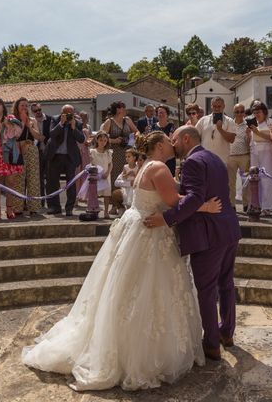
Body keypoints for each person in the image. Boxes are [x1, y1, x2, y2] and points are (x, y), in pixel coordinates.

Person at [22, 130, 222, 390]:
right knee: (150, 290)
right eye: (168, 141)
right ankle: (144, 354)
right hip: (151, 233)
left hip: (137, 227)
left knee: (128, 288)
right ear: (159, 145)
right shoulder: (159, 168)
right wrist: (205, 206)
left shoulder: (144, 166)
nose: (173, 144)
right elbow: (173, 202)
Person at [144, 126, 241, 361]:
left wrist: (166, 219)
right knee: (226, 283)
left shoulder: (192, 162)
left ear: (186, 139)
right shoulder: (214, 158)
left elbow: (195, 198)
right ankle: (226, 333)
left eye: (174, 140)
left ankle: (211, 344)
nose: (173, 144)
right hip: (228, 229)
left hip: (208, 235)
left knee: (207, 290)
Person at [45, 104, 86, 216]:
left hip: (69, 157)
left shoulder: (77, 123)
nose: (68, 116)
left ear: (73, 114)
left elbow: (82, 139)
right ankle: (54, 207)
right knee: (52, 183)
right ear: (61, 113)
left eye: (70, 113)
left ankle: (69, 208)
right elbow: (52, 134)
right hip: (55, 155)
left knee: (71, 183)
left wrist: (73, 127)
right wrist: (61, 124)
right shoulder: (55, 119)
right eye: (65, 113)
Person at [0, 98, 24, 220]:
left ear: (3, 106)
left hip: (10, 152)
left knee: (10, 181)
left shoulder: (10, 118)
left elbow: (18, 134)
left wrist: (8, 125)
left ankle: (9, 208)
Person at [11, 98, 42, 216]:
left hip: (31, 149)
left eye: (26, 105)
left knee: (33, 177)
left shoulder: (32, 120)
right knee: (19, 178)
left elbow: (38, 137)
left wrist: (29, 125)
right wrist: (22, 123)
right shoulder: (12, 120)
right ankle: (17, 207)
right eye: (22, 105)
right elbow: (13, 136)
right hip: (18, 150)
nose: (24, 107)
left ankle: (33, 207)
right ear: (17, 107)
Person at [101, 101, 138, 188]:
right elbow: (101, 138)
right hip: (114, 153)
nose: (125, 109)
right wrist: (114, 140)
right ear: (118, 109)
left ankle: (125, 195)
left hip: (127, 152)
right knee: (115, 173)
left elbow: (136, 131)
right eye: (123, 107)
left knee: (127, 173)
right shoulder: (109, 122)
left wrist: (136, 136)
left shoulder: (127, 120)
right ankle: (114, 196)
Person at [248, 101, 272, 216]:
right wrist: (248, 133)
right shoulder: (251, 123)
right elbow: (249, 140)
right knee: (255, 179)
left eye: (258, 112)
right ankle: (256, 205)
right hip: (254, 152)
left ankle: (267, 207)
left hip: (267, 152)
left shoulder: (270, 122)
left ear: (264, 112)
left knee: (267, 179)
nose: (256, 114)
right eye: (254, 112)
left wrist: (257, 132)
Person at [195, 96, 236, 165]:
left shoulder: (229, 121)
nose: (216, 108)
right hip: (205, 159)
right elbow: (195, 136)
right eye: (214, 106)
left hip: (222, 160)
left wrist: (220, 129)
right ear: (211, 106)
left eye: (219, 106)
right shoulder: (203, 120)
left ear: (223, 106)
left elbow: (232, 139)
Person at [227, 103, 250, 212]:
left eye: (241, 111)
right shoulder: (229, 124)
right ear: (234, 113)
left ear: (244, 113)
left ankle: (246, 204)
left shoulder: (248, 125)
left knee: (246, 182)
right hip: (231, 156)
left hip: (244, 156)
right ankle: (231, 204)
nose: (239, 114)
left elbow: (250, 142)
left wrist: (249, 135)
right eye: (237, 111)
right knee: (231, 182)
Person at [89, 131, 113, 219]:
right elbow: (91, 164)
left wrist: (107, 173)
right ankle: (95, 210)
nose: (103, 142)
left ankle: (106, 212)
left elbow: (110, 164)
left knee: (106, 194)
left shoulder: (108, 152)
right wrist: (96, 173)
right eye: (101, 140)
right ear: (97, 140)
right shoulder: (93, 152)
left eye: (105, 141)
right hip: (97, 176)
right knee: (95, 194)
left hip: (106, 176)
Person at [30, 103, 49, 204]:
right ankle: (41, 202)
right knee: (39, 178)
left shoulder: (50, 120)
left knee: (50, 179)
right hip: (37, 153)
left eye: (39, 109)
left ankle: (52, 202)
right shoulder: (31, 122)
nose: (38, 112)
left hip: (49, 153)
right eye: (35, 111)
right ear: (32, 112)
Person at [151, 105, 177, 176]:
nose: (161, 114)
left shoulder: (172, 126)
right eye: (159, 112)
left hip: (169, 158)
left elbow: (170, 141)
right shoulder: (153, 126)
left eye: (163, 112)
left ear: (167, 114)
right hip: (156, 157)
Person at [75, 110, 92, 195]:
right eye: (83, 117)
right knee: (77, 175)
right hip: (77, 152)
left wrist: (89, 142)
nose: (85, 119)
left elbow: (89, 140)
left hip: (85, 153)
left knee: (85, 174)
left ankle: (84, 194)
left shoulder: (87, 129)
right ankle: (77, 194)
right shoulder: (75, 129)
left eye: (86, 117)